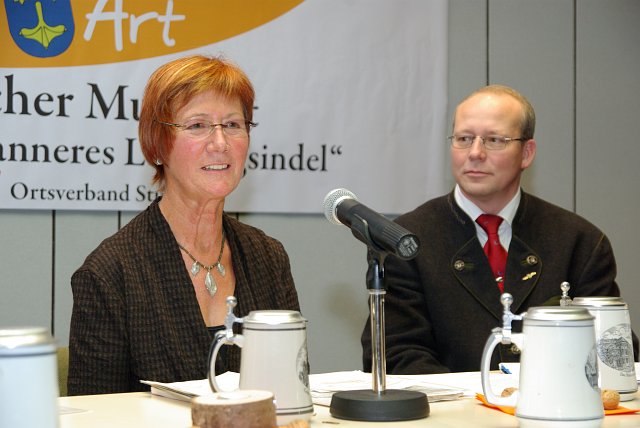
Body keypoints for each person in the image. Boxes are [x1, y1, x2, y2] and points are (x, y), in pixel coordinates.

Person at [361, 84, 638, 374]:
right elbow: (396, 355)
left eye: (494, 140)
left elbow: (615, 355)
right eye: (464, 139)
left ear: (526, 153)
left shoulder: (579, 242)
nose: (475, 153)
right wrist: (478, 398)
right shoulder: (407, 240)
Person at [68, 55, 300, 395]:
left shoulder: (268, 258)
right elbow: (94, 414)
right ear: (157, 144)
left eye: (232, 125)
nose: (220, 143)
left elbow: (293, 393)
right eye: (197, 126)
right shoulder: (111, 273)